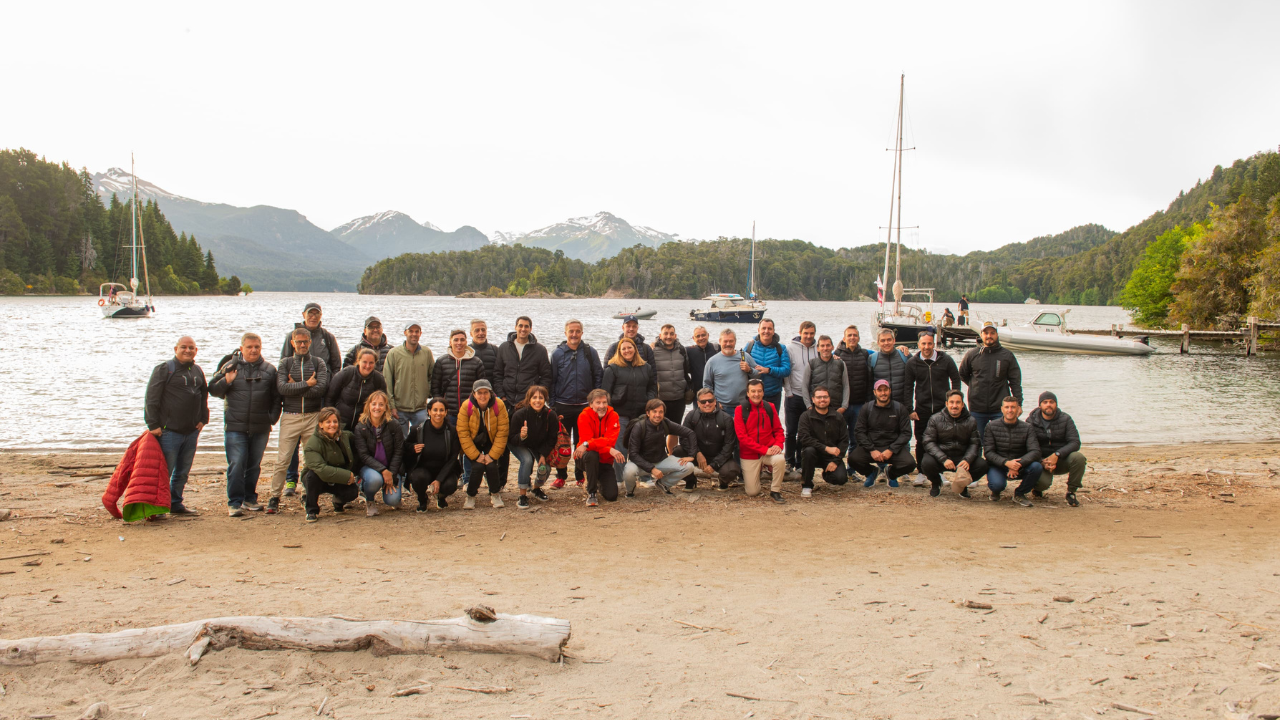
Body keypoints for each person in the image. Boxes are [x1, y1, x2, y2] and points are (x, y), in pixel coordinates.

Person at [209, 333, 280, 517]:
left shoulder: (269, 370)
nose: (253, 350)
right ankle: (234, 502)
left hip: (261, 426)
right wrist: (227, 380)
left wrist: (271, 418)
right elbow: (213, 389)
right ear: (242, 349)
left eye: (257, 346)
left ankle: (250, 498)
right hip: (235, 426)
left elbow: (276, 398)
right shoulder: (230, 366)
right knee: (237, 463)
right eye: (249, 347)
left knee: (254, 465)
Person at [144, 335, 209, 516]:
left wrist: (203, 419)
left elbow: (203, 395)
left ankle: (175, 503)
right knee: (164, 471)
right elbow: (151, 398)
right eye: (184, 347)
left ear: (196, 350)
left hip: (191, 431)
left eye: (191, 348)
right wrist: (153, 424)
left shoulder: (197, 370)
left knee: (182, 472)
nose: (187, 350)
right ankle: (158, 507)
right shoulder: (165, 369)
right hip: (169, 431)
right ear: (176, 349)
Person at [269, 328, 329, 513]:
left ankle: (307, 494)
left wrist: (294, 385)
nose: (302, 345)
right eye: (298, 342)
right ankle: (274, 496)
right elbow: (281, 388)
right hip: (290, 416)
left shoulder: (319, 363)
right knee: (283, 459)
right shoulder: (285, 363)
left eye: (305, 341)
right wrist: (305, 384)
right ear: (292, 343)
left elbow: (320, 389)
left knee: (310, 459)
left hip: (312, 416)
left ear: (310, 342)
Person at [549, 319, 602, 487]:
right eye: (571, 331)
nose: (574, 334)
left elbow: (598, 376)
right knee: (561, 442)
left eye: (577, 331)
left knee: (582, 442)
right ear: (565, 333)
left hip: (584, 407)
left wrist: (596, 401)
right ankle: (561, 476)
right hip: (562, 404)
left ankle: (580, 475)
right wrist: (552, 404)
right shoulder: (557, 354)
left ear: (582, 333)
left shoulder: (590, 352)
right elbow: (551, 380)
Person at [904, 331, 961, 486]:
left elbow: (956, 379)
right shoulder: (913, 363)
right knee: (921, 440)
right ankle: (921, 472)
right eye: (923, 344)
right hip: (921, 408)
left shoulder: (946, 360)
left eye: (929, 343)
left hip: (943, 409)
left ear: (934, 344)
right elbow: (908, 387)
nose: (927, 347)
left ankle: (939, 472)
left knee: (941, 441)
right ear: (919, 344)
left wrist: (954, 402)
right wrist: (910, 409)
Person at [601, 336, 657, 483]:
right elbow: (605, 393)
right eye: (623, 349)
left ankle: (645, 477)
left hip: (640, 413)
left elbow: (652, 386)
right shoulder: (612, 368)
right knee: (620, 447)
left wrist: (649, 401)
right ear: (619, 351)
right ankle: (619, 480)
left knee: (643, 445)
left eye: (629, 347)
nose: (627, 351)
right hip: (620, 413)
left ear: (635, 349)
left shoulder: (646, 367)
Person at [920, 390, 989, 498]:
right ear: (946, 404)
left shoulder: (971, 420)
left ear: (962, 404)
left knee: (983, 465)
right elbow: (928, 441)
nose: (954, 406)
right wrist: (943, 459)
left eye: (958, 403)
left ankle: (962, 484)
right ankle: (936, 483)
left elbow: (975, 443)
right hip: (942, 457)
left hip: (961, 457)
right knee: (926, 462)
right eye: (951, 402)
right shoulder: (935, 419)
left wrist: (967, 460)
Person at [959, 323, 1023, 438]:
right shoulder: (972, 354)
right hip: (976, 408)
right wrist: (975, 385)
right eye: (986, 333)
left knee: (1001, 440)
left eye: (992, 333)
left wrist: (1019, 403)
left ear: (997, 335)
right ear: (981, 335)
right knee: (976, 441)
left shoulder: (1007, 355)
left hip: (1000, 408)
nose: (989, 336)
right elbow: (962, 374)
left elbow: (1015, 382)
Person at [623, 399, 698, 497]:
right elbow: (633, 454)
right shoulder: (639, 426)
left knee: (689, 467)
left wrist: (692, 455)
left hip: (660, 460)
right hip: (640, 463)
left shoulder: (666, 423)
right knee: (629, 471)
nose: (658, 415)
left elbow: (690, 433)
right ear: (648, 413)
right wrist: (652, 469)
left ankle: (663, 484)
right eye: (654, 412)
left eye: (661, 412)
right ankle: (630, 490)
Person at [849, 379, 916, 488]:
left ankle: (891, 473)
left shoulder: (900, 408)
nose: (883, 393)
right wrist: (871, 449)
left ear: (890, 391)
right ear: (874, 392)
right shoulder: (867, 408)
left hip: (892, 448)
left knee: (910, 464)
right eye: (879, 390)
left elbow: (906, 433)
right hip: (872, 447)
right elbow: (859, 431)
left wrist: (892, 449)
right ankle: (871, 472)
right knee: (853, 459)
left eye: (885, 390)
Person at [1025, 391, 1085, 507]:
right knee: (1044, 483)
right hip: (1041, 461)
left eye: (1052, 402)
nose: (1048, 405)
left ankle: (1071, 492)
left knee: (1079, 458)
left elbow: (1075, 442)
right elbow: (1028, 446)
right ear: (1040, 405)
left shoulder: (1065, 419)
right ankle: (1037, 489)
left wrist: (1057, 454)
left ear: (1056, 404)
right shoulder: (1031, 421)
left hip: (1061, 459)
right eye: (1045, 402)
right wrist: (1042, 461)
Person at [456, 379, 510, 509]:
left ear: (490, 393)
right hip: (474, 441)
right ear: (474, 394)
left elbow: (503, 432)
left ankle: (495, 493)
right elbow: (463, 433)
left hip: (491, 440)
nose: (483, 396)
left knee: (491, 465)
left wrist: (492, 455)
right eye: (479, 393)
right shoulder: (466, 406)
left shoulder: (499, 405)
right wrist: (475, 455)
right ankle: (471, 496)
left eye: (486, 392)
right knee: (478, 466)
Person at [301, 407, 360, 523]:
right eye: (328, 422)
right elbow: (321, 469)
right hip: (318, 478)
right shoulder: (312, 443)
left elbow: (359, 450)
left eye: (335, 421)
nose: (332, 425)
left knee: (352, 492)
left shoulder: (346, 437)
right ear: (321, 424)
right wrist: (347, 475)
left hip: (338, 477)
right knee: (312, 476)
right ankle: (311, 510)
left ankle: (338, 502)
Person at [403, 398, 462, 512]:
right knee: (418, 478)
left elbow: (453, 458)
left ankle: (441, 496)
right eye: (435, 410)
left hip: (445, 469)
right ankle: (422, 499)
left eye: (441, 410)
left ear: (446, 412)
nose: (438, 413)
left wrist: (439, 480)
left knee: (450, 485)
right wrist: (412, 448)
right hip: (423, 469)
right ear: (429, 411)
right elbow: (405, 447)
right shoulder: (418, 429)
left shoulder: (452, 431)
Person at [351, 390, 404, 517]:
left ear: (386, 407)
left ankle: (395, 489)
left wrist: (391, 472)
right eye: (374, 404)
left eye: (381, 404)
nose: (377, 407)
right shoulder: (361, 427)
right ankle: (369, 498)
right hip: (370, 468)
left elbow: (399, 451)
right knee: (375, 479)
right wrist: (383, 471)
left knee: (392, 500)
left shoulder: (393, 425)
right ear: (368, 406)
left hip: (391, 468)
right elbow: (363, 455)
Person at [983, 395, 1042, 505]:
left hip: (1020, 466)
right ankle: (995, 492)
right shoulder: (991, 426)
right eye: (1007, 407)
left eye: (1013, 407)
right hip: (999, 465)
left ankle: (1020, 493)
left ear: (1018, 409)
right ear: (1002, 409)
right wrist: (1006, 463)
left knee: (1036, 467)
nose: (1010, 410)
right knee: (997, 485)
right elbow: (988, 452)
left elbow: (1035, 451)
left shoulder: (1027, 427)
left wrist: (1018, 464)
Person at [735, 379, 787, 504]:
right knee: (752, 492)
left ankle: (775, 490)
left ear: (763, 393)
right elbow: (742, 437)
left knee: (780, 459)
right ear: (747, 393)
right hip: (750, 454)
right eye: (753, 391)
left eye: (759, 391)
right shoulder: (740, 410)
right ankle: (758, 471)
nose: (756, 394)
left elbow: (779, 430)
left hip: (769, 450)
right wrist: (764, 450)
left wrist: (778, 445)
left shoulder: (770, 407)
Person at [678, 388, 740, 491]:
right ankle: (690, 480)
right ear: (698, 403)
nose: (707, 404)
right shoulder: (691, 416)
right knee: (677, 453)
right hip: (697, 455)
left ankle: (723, 481)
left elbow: (729, 445)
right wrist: (697, 453)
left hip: (719, 455)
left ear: (715, 401)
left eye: (710, 401)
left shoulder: (726, 418)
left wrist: (714, 464)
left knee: (732, 470)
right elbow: (684, 439)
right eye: (703, 402)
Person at [509, 385, 558, 508]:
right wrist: (522, 436)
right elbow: (510, 438)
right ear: (528, 399)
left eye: (541, 398)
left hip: (539, 445)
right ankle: (522, 495)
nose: (537, 401)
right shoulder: (519, 415)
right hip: (519, 443)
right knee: (527, 460)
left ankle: (536, 488)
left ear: (545, 400)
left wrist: (543, 454)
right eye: (534, 397)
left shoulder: (551, 415)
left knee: (545, 467)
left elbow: (552, 438)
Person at [796, 386, 850, 496]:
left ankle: (827, 473)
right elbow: (804, 438)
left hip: (831, 456)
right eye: (819, 397)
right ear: (813, 399)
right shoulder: (806, 416)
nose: (822, 400)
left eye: (825, 397)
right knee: (808, 451)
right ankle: (806, 485)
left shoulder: (837, 416)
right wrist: (825, 448)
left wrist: (836, 461)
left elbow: (844, 440)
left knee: (840, 479)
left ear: (829, 398)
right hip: (813, 454)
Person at [384, 321, 435, 438]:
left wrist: (428, 392)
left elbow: (432, 376)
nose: (414, 334)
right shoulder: (394, 353)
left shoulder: (426, 353)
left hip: (421, 408)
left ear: (420, 333)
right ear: (405, 333)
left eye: (417, 331)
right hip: (399, 409)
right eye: (411, 331)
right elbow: (387, 381)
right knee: (400, 441)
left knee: (422, 439)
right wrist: (392, 406)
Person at [783, 321, 820, 474]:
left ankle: (800, 462)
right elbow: (787, 371)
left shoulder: (818, 349)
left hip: (811, 398)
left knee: (805, 432)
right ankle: (789, 461)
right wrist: (788, 391)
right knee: (791, 431)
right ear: (800, 333)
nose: (808, 336)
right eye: (806, 333)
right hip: (794, 395)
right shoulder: (790, 348)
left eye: (811, 333)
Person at [834, 325, 873, 471]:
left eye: (855, 335)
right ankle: (838, 467)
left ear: (858, 338)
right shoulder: (836, 354)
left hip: (859, 404)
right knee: (839, 438)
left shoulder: (865, 354)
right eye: (849, 335)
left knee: (855, 439)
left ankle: (851, 469)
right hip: (841, 405)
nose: (852, 338)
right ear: (844, 338)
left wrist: (902, 348)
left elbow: (882, 351)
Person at [575, 389, 623, 506]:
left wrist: (588, 444)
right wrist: (609, 449)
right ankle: (592, 493)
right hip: (584, 458)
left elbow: (610, 440)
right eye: (598, 402)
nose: (602, 406)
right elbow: (587, 445)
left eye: (604, 402)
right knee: (592, 454)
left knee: (612, 496)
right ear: (591, 404)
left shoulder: (613, 416)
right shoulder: (584, 416)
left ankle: (597, 479)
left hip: (605, 460)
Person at [493, 316, 552, 409]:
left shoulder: (540, 350)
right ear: (515, 327)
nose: (523, 329)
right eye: (520, 326)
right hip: (507, 401)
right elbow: (497, 374)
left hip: (529, 402)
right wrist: (502, 395)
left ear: (530, 329)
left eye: (526, 326)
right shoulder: (504, 347)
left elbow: (546, 376)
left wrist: (536, 397)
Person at [651, 324, 693, 442]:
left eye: (671, 334)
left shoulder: (681, 349)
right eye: (665, 333)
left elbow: (686, 370)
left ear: (675, 335)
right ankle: (658, 455)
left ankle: (672, 455)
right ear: (660, 335)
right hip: (660, 398)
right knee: (657, 429)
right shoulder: (653, 350)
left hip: (678, 397)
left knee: (674, 429)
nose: (668, 336)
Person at [432, 328, 486, 418]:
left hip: (470, 410)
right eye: (456, 340)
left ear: (466, 342)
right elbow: (435, 387)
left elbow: (482, 387)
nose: (459, 343)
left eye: (462, 340)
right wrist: (441, 406)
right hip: (449, 412)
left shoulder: (476, 362)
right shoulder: (441, 361)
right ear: (450, 342)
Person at [326, 348, 387, 429]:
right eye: (364, 362)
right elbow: (330, 398)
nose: (367, 366)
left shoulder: (378, 379)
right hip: (341, 422)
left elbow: (384, 402)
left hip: (363, 425)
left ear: (375, 363)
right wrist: (331, 420)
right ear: (358, 361)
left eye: (371, 363)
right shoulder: (347, 373)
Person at [703, 329, 759, 417]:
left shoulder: (744, 356)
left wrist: (749, 370)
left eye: (731, 341)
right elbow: (707, 385)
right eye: (725, 341)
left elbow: (758, 375)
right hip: (722, 408)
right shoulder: (712, 361)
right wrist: (714, 402)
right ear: (720, 341)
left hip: (744, 406)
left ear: (735, 341)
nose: (728, 344)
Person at [743, 318, 791, 412]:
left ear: (773, 331)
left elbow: (786, 370)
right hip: (753, 394)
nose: (766, 331)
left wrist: (769, 370)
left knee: (771, 424)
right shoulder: (749, 346)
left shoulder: (781, 348)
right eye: (763, 328)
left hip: (773, 394)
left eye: (769, 329)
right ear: (758, 330)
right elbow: (741, 364)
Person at [280, 302, 342, 375]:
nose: (313, 317)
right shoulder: (292, 336)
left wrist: (332, 382)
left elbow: (336, 365)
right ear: (303, 315)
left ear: (321, 315)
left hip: (324, 381)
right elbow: (284, 362)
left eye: (316, 314)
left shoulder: (328, 337)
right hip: (299, 379)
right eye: (310, 314)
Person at [806, 335, 851, 412]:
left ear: (832, 347)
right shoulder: (811, 364)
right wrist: (809, 406)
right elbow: (805, 386)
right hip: (816, 408)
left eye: (828, 345)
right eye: (822, 346)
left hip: (837, 408)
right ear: (818, 348)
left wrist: (844, 406)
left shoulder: (840, 363)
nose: (825, 348)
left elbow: (846, 385)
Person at [868, 329, 909, 405]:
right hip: (880, 406)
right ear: (878, 343)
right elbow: (869, 385)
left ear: (894, 341)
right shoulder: (872, 359)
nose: (886, 343)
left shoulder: (904, 356)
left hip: (902, 405)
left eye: (889, 340)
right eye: (883, 340)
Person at [685, 326, 720, 393]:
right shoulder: (688, 351)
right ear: (693, 338)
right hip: (697, 392)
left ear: (708, 335)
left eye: (703, 335)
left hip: (717, 391)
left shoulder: (717, 349)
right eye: (698, 336)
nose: (701, 338)